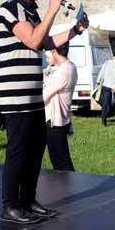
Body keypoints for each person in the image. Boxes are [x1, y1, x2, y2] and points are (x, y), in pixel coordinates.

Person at [0, 0, 88, 224]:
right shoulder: (8, 8)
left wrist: (75, 30)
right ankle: (10, 205)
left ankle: (28, 200)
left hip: (34, 92)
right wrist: (52, 10)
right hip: (15, 93)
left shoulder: (31, 11)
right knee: (18, 150)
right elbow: (33, 39)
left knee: (36, 148)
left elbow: (47, 43)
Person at [43, 43, 77, 171]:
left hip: (56, 121)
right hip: (60, 119)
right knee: (59, 158)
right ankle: (63, 187)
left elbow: (44, 96)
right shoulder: (70, 66)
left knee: (61, 160)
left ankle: (68, 188)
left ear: (54, 51)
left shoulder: (64, 71)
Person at [97, 53, 115, 126]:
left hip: (106, 84)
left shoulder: (106, 62)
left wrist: (98, 80)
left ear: (113, 56)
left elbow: (102, 72)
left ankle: (104, 120)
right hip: (114, 86)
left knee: (106, 103)